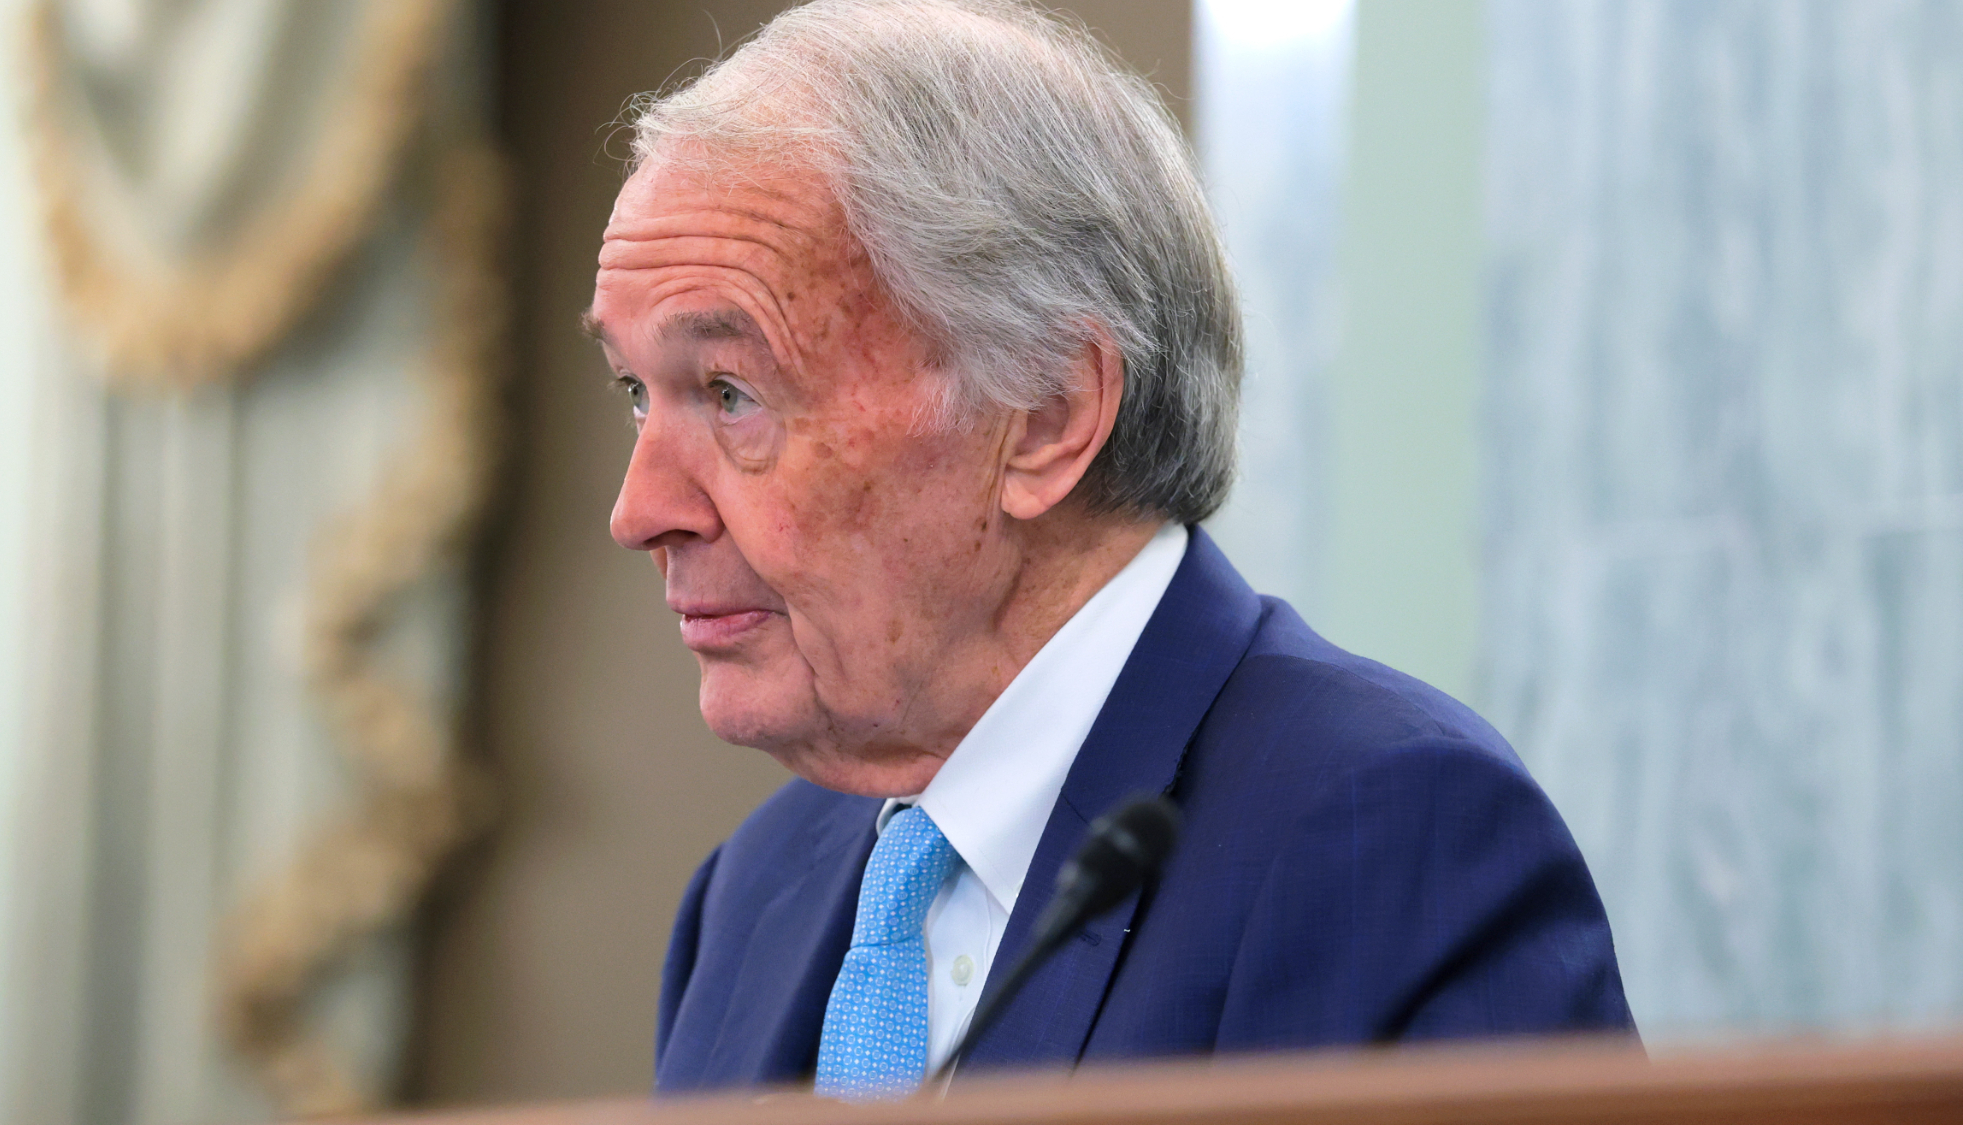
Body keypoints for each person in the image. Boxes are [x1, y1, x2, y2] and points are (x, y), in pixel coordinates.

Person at [586, 0, 1633, 1099]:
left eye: (731, 393)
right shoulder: (750, 897)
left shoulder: (1391, 836)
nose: (641, 508)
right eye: (633, 392)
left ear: (1042, 416)